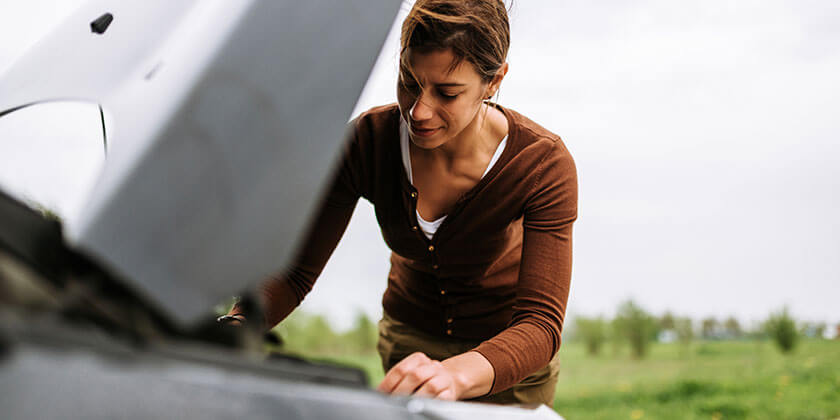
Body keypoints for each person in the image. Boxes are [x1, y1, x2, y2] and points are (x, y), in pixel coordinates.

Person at [221, 0, 577, 406]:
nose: (419, 110)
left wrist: (456, 375)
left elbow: (540, 324)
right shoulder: (366, 142)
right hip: (408, 346)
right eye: (409, 81)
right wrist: (237, 325)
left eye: (447, 92)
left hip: (508, 361)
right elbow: (296, 273)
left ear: (494, 81)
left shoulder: (542, 164)